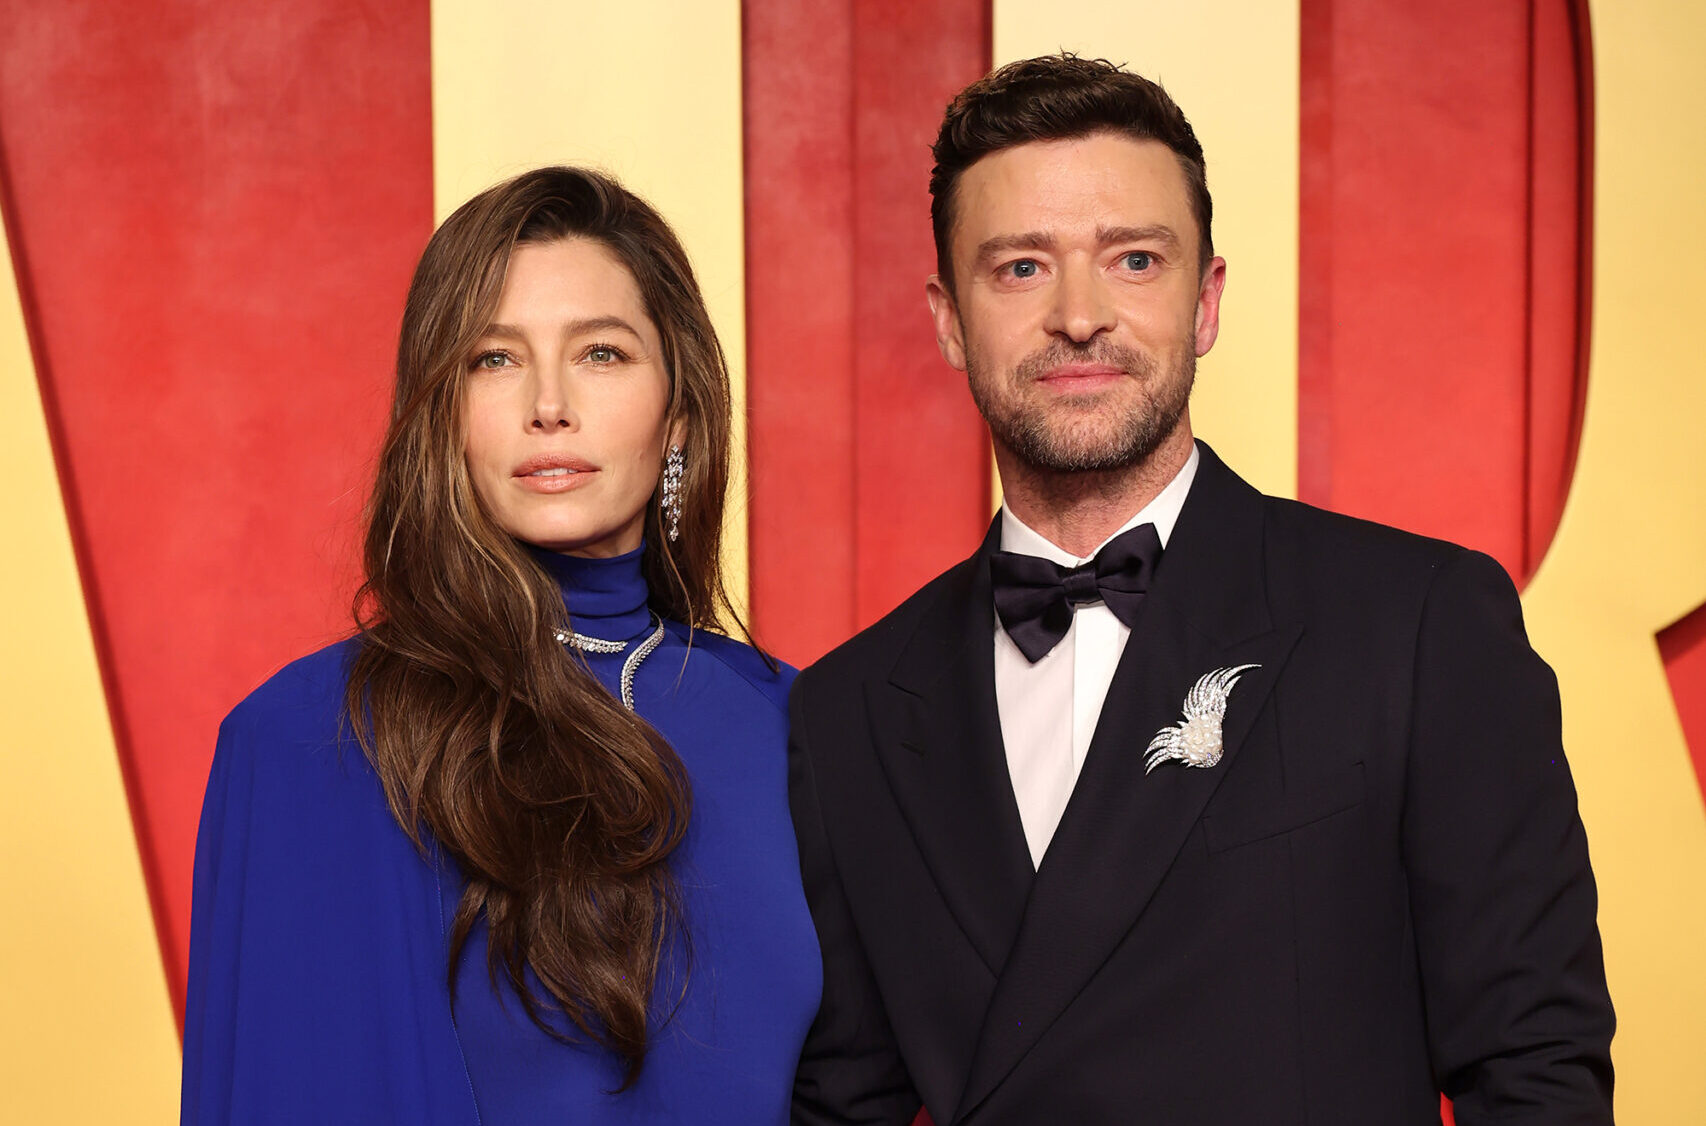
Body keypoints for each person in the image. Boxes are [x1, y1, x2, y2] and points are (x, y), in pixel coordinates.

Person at [788, 54, 1614, 1125]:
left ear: (1205, 298)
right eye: (1020, 269)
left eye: (1132, 259)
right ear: (948, 320)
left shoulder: (1414, 624)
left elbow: (1535, 1068)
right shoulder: (848, 708)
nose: (1078, 317)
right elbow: (839, 1103)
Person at [181, 166, 820, 1124]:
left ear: (678, 414)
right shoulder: (311, 739)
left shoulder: (799, 722)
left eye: (602, 353)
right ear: (444, 414)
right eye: (494, 359)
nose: (548, 404)